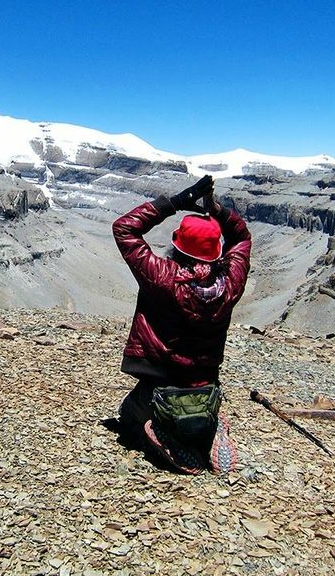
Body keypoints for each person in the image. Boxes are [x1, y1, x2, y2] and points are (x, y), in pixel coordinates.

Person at [111, 175, 252, 474]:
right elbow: (241, 239)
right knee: (196, 407)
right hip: (206, 385)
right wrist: (217, 211)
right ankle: (209, 429)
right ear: (216, 253)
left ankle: (164, 439)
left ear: (178, 247)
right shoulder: (230, 285)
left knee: (128, 416)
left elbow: (124, 228)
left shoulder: (163, 278)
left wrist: (174, 203)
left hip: (162, 384)